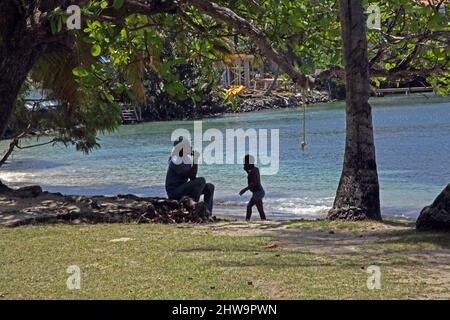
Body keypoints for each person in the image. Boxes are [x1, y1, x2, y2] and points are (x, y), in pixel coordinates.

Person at [165, 137, 214, 213]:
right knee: (201, 180)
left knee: (210, 187)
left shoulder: (186, 159)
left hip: (182, 189)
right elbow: (192, 176)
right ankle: (194, 208)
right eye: (187, 146)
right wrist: (195, 159)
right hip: (174, 192)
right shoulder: (175, 160)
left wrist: (195, 159)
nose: (190, 147)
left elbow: (192, 177)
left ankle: (207, 212)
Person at [239, 155, 266, 221]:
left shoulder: (253, 171)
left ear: (249, 163)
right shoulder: (255, 169)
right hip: (258, 192)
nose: (244, 164)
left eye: (245, 163)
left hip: (258, 193)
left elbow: (254, 183)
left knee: (252, 207)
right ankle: (262, 220)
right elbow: (252, 177)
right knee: (257, 208)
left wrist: (244, 190)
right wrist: (247, 171)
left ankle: (248, 220)